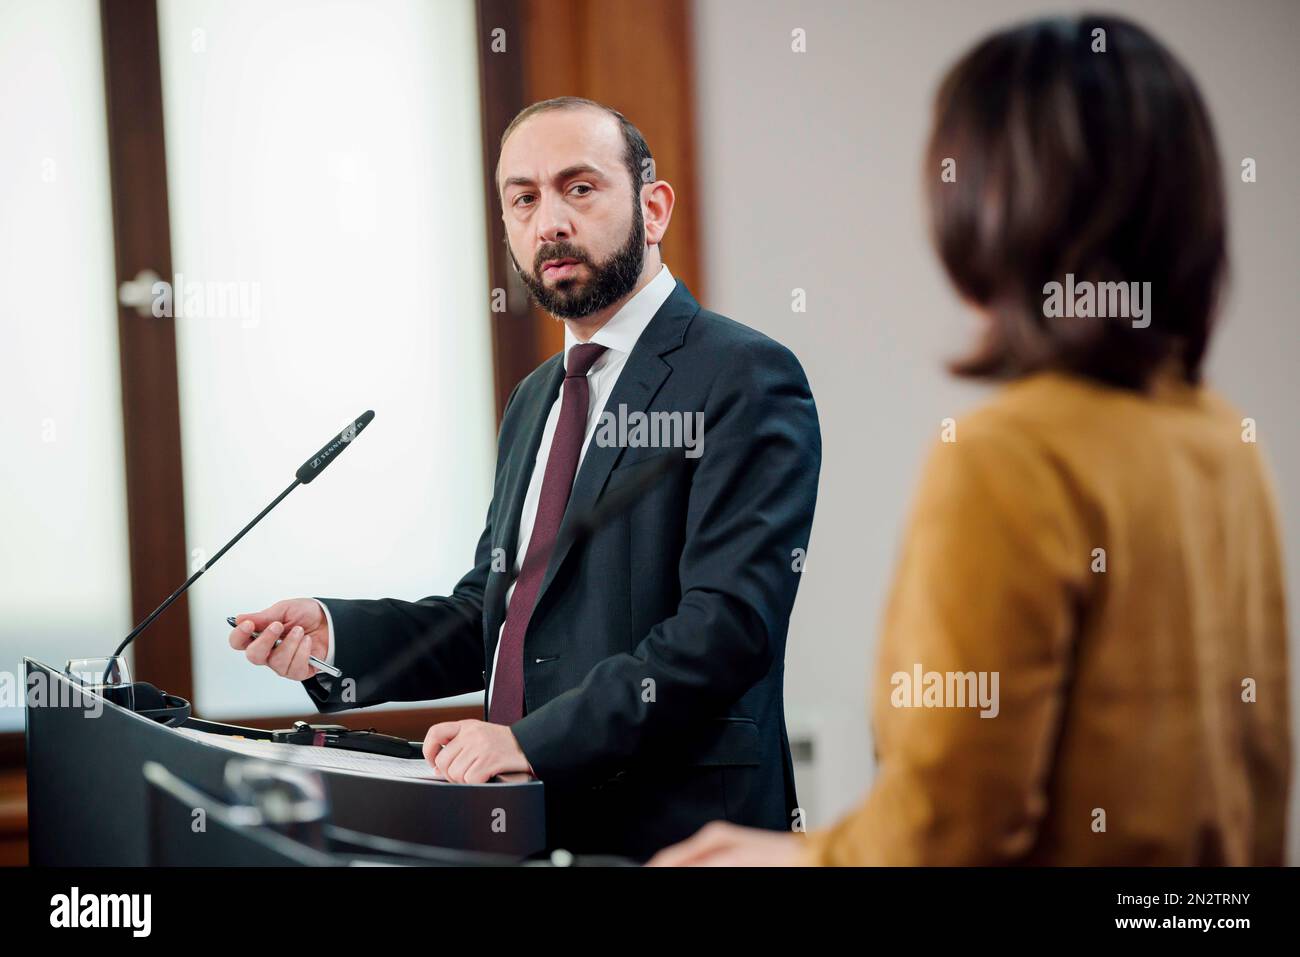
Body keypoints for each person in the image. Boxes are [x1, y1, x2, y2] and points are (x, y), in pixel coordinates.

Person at [651, 14, 1289, 867]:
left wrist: (796, 858)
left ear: (990, 202)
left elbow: (951, 830)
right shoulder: (1223, 441)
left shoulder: (1008, 454)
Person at [229, 96, 821, 861]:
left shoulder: (744, 375)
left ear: (654, 207)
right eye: (524, 198)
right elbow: (500, 610)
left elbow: (727, 630)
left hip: (676, 834)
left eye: (580, 188)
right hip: (524, 830)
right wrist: (335, 637)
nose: (550, 222)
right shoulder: (536, 397)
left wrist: (527, 741)